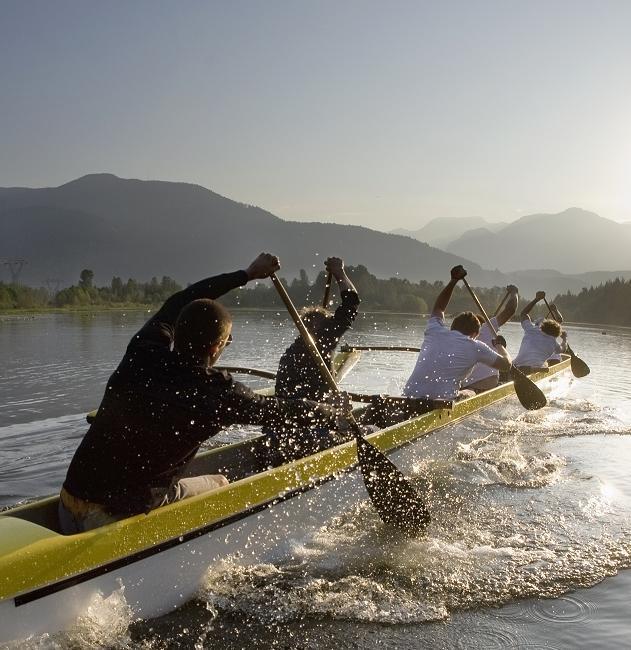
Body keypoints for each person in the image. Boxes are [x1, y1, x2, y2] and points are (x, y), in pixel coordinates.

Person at [59, 253, 348, 534]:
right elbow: (283, 411)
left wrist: (246, 274)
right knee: (222, 482)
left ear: (176, 331)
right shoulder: (217, 393)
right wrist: (332, 412)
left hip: (67, 503)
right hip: (108, 519)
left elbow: (179, 301)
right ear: (215, 348)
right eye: (227, 342)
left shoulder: (143, 350)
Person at [268, 257, 359, 461]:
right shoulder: (325, 340)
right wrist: (340, 273)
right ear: (323, 330)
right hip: (313, 432)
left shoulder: (291, 352)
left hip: (285, 432)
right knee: (369, 429)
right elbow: (352, 303)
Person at [403, 265, 511, 401]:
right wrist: (500, 346)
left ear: (452, 327)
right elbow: (506, 365)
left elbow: (439, 307)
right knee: (470, 392)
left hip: (409, 396)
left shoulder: (434, 330)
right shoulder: (475, 346)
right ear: (474, 334)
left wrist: (453, 280)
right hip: (441, 402)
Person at [462, 285, 519, 393]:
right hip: (486, 384)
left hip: (467, 385)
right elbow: (511, 309)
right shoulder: (486, 328)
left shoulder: (458, 335)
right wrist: (514, 292)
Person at [512, 291, 563, 372]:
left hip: (517, 365)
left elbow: (523, 313)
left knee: (513, 365)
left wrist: (536, 299)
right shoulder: (553, 341)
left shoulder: (531, 329)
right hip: (537, 365)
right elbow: (559, 322)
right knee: (541, 363)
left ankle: (526, 368)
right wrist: (565, 339)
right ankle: (535, 368)